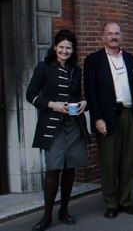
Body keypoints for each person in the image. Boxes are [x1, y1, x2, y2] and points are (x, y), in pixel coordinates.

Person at [26, 30, 89, 231]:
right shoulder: (44, 67)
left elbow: (78, 94)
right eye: (61, 46)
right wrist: (52, 104)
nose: (64, 50)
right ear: (55, 47)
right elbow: (30, 94)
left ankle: (64, 210)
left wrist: (83, 103)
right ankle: (46, 216)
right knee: (53, 170)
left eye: (68, 47)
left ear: (72, 50)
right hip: (53, 127)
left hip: (73, 126)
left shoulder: (76, 70)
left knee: (70, 170)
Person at [84, 22, 133, 219]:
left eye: (117, 33)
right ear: (103, 37)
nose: (113, 37)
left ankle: (125, 201)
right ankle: (111, 203)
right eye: (109, 34)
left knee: (128, 162)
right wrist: (97, 118)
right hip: (107, 117)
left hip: (128, 115)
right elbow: (91, 93)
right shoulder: (93, 60)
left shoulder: (129, 58)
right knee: (109, 163)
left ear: (121, 36)